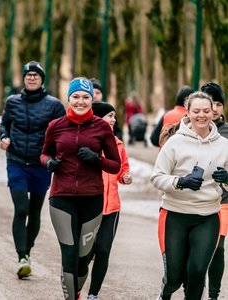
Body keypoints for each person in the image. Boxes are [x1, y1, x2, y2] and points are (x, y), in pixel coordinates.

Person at [40, 77, 121, 300]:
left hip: (92, 199)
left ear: (91, 100)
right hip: (61, 198)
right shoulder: (55, 126)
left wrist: (97, 159)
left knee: (84, 257)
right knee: (69, 253)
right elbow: (44, 153)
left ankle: (75, 291)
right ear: (68, 99)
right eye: (75, 97)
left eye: (86, 97)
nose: (80, 101)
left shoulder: (102, 127)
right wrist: (48, 162)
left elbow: (116, 166)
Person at [150, 91, 228, 300]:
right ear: (188, 112)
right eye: (196, 111)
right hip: (175, 215)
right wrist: (180, 181)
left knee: (196, 272)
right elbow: (156, 177)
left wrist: (227, 178)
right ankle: (165, 293)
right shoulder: (175, 143)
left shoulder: (224, 145)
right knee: (175, 276)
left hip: (208, 216)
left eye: (206, 111)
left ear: (214, 112)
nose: (201, 115)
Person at [0, 60, 65, 278]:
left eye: (36, 75)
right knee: (21, 209)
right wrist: (4, 137)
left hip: (41, 164)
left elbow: (61, 132)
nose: (32, 78)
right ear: (24, 79)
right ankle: (21, 257)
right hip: (17, 161)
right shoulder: (12, 102)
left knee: (35, 211)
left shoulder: (54, 105)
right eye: (28, 75)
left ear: (42, 79)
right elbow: (5, 124)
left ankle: (27, 252)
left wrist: (56, 155)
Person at [87, 101, 132, 300]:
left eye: (114, 116)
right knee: (85, 253)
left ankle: (93, 294)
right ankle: (75, 288)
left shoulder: (118, 144)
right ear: (98, 117)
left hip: (111, 208)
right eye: (110, 116)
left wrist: (125, 177)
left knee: (103, 250)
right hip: (89, 206)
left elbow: (123, 170)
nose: (114, 120)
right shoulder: (86, 141)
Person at [201, 82, 228, 300]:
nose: (216, 109)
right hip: (194, 199)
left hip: (223, 200)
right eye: (213, 103)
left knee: (217, 248)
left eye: (220, 104)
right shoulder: (191, 130)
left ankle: (213, 295)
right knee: (196, 250)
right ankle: (192, 291)